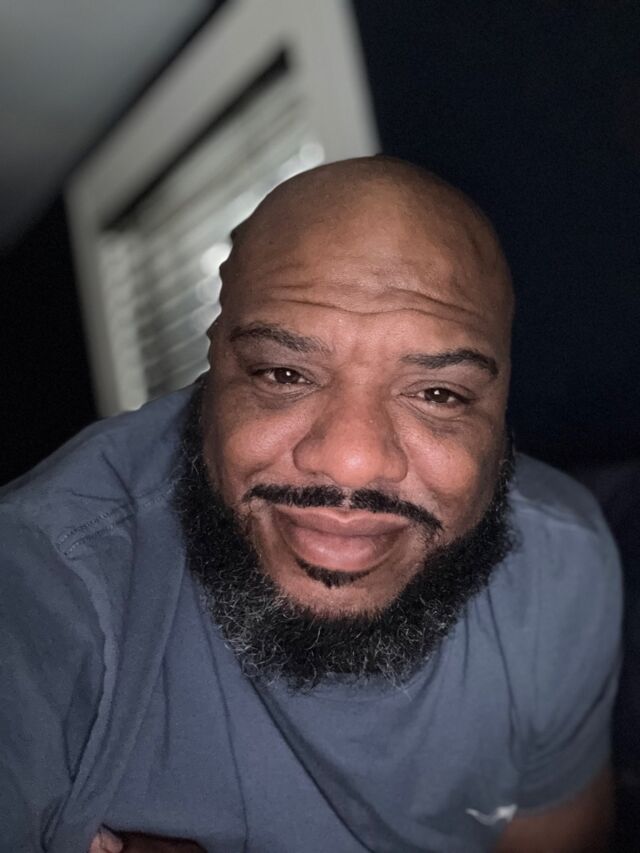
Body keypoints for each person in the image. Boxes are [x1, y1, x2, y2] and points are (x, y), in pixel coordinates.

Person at [0, 156, 622, 853]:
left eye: (438, 394)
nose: (351, 459)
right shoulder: (41, 582)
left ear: (502, 411)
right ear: (213, 371)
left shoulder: (558, 563)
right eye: (285, 373)